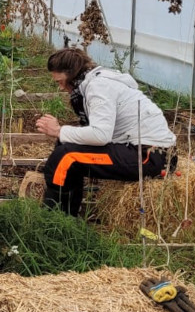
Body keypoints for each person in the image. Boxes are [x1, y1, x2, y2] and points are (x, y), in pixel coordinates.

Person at [34, 48, 177, 217]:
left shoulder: (98, 87)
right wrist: (62, 134)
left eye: (60, 81)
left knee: (66, 157)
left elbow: (101, 135)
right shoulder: (93, 82)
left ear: (72, 76)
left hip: (150, 155)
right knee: (65, 145)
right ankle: (68, 217)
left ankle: (53, 222)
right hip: (135, 147)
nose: (61, 87)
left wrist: (59, 130)